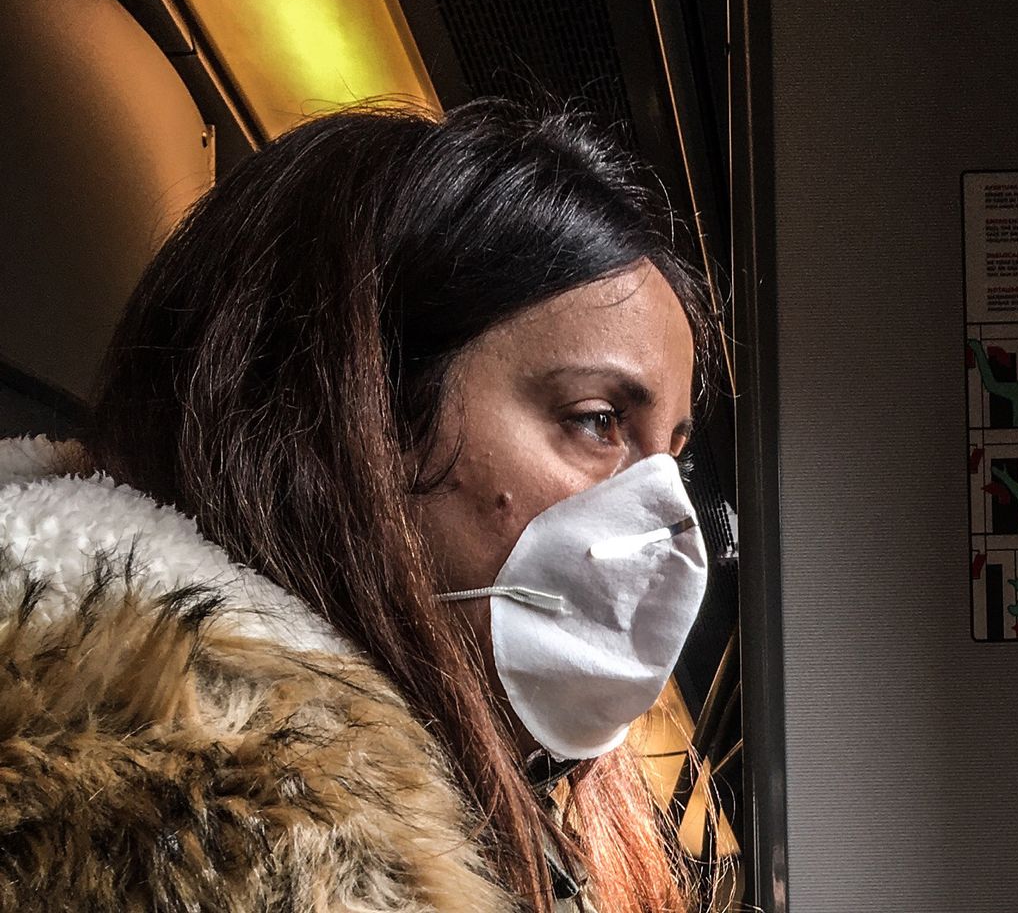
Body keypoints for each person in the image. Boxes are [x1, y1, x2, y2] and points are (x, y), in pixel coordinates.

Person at [0, 100, 719, 913]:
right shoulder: (151, 813)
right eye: (597, 421)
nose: (668, 521)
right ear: (350, 409)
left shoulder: (494, 814)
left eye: (673, 458)